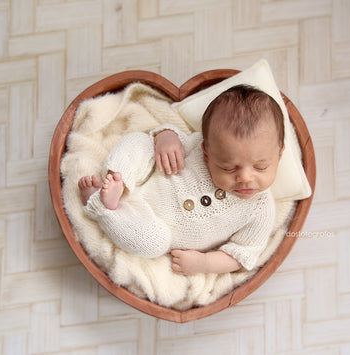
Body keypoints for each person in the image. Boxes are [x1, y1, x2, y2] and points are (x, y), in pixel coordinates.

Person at [78, 84, 285, 275]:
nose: (245, 178)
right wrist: (166, 138)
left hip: (151, 226)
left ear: (279, 155)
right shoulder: (196, 147)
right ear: (207, 152)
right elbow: (171, 137)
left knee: (153, 244)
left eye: (261, 167)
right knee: (140, 143)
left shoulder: (260, 210)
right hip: (141, 181)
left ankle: (102, 208)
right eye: (228, 167)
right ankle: (119, 182)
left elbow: (241, 254)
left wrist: (204, 263)